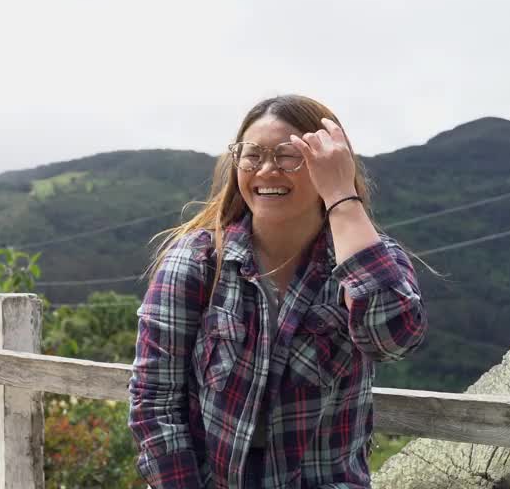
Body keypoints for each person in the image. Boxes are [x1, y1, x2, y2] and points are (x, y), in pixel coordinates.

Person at [128, 95, 427, 488]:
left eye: (289, 156)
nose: (267, 170)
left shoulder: (368, 259)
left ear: (327, 163)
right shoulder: (198, 262)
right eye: (252, 155)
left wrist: (342, 198)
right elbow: (155, 401)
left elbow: (394, 340)